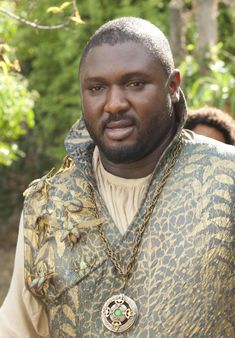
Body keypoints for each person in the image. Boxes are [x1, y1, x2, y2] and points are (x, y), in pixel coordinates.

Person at [0, 17, 234, 338]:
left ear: (173, 85)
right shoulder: (48, 204)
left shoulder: (227, 180)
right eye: (97, 88)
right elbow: (17, 328)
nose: (114, 104)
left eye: (135, 84)